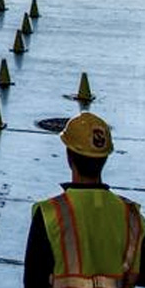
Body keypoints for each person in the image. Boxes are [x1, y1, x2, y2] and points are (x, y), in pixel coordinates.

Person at [24, 112, 145, 288]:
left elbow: (33, 282)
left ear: (69, 156)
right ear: (105, 158)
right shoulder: (131, 216)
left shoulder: (50, 214)